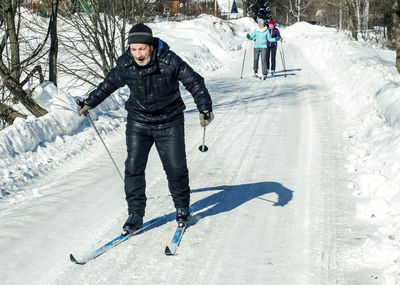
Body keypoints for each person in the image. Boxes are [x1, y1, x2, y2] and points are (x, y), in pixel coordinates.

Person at [77, 23, 214, 232]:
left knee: (175, 168)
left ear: (151, 46)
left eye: (142, 48)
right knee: (133, 167)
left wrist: (204, 108)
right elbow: (109, 84)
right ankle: (135, 214)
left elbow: (194, 82)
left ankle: (182, 208)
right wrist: (90, 102)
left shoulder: (169, 60)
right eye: (133, 49)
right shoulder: (126, 64)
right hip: (139, 121)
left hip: (169, 121)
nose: (138, 54)